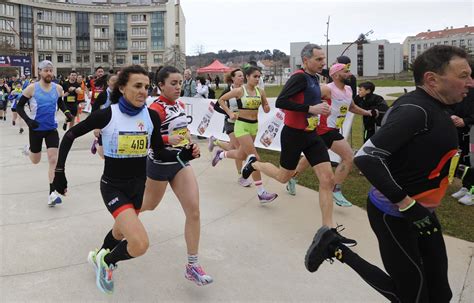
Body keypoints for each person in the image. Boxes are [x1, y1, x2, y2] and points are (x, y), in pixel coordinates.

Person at [304, 45, 473, 303]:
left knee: (441, 294)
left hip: (424, 213)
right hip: (395, 214)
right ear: (432, 79)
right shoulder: (416, 110)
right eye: (463, 76)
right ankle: (335, 248)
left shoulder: (437, 106)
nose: (470, 82)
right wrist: (408, 205)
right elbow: (367, 157)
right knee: (412, 296)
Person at [52, 65, 200, 294]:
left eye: (146, 86)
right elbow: (70, 135)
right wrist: (59, 174)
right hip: (113, 188)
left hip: (137, 188)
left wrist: (183, 155)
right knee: (139, 244)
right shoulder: (108, 114)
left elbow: (159, 152)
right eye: (137, 86)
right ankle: (107, 261)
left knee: (120, 231)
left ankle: (99, 254)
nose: (143, 91)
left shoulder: (150, 116)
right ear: (122, 88)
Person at [239, 44, 356, 245]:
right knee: (283, 177)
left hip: (311, 135)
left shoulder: (314, 78)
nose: (323, 63)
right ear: (306, 60)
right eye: (318, 59)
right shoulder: (299, 77)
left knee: (326, 180)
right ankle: (254, 164)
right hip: (293, 135)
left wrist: (321, 107)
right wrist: (311, 107)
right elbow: (282, 102)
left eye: (323, 59)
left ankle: (328, 231)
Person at [140, 66, 213, 286]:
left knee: (194, 212)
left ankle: (192, 265)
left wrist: (191, 146)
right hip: (160, 163)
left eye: (180, 82)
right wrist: (166, 141)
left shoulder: (180, 104)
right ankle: (123, 219)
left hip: (181, 163)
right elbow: (148, 138)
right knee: (147, 206)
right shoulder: (155, 109)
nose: (178, 87)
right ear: (160, 85)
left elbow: (182, 132)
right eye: (173, 83)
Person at [284, 64, 374, 206]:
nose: (350, 74)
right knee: (348, 157)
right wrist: (305, 111)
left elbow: (352, 107)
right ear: (336, 75)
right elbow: (306, 100)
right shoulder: (327, 89)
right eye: (346, 71)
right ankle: (335, 190)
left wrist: (367, 112)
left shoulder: (349, 89)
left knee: (309, 158)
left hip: (333, 129)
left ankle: (292, 178)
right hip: (324, 129)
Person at [212, 65, 277, 203]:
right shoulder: (239, 91)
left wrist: (266, 107)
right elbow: (221, 100)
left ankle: (221, 154)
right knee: (254, 157)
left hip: (254, 127)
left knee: (241, 155)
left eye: (259, 76)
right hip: (241, 126)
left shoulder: (261, 91)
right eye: (255, 76)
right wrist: (229, 112)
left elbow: (265, 106)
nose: (258, 79)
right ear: (248, 77)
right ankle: (261, 193)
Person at [16, 60, 74, 207]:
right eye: (46, 70)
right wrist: (29, 122)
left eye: (50, 70)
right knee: (35, 160)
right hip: (35, 129)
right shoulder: (31, 89)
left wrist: (67, 113)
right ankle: (28, 150)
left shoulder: (58, 88)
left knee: (53, 159)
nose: (49, 73)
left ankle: (52, 193)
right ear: (40, 72)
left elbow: (60, 103)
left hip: (51, 129)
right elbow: (19, 107)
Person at [208, 68, 252, 187]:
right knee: (239, 149)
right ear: (233, 78)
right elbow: (216, 106)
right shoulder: (228, 90)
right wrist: (228, 113)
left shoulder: (245, 90)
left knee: (232, 147)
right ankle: (241, 176)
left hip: (243, 123)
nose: (242, 78)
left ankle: (216, 142)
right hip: (230, 123)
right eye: (239, 76)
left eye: (243, 76)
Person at [90, 74, 119, 159]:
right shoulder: (103, 95)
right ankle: (96, 143)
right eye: (113, 80)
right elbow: (94, 111)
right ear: (108, 82)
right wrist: (96, 127)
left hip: (116, 125)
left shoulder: (122, 94)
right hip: (104, 125)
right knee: (103, 154)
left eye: (117, 81)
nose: (115, 83)